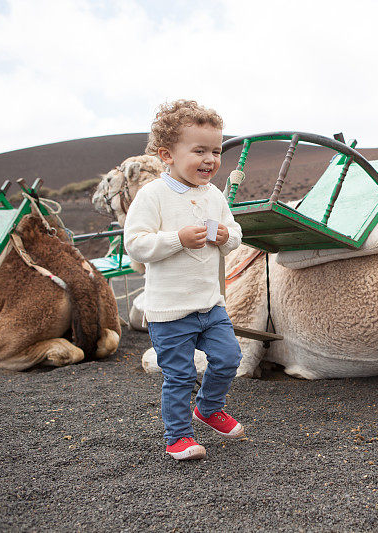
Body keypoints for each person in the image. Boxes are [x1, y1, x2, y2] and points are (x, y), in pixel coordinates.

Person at [124, 100, 244, 460]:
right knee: (178, 375)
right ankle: (178, 437)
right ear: (167, 155)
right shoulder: (152, 196)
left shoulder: (215, 195)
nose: (210, 159)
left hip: (210, 304)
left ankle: (207, 409)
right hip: (170, 310)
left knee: (228, 357)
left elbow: (235, 231)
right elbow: (136, 243)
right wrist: (177, 238)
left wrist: (227, 237)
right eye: (199, 151)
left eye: (216, 151)